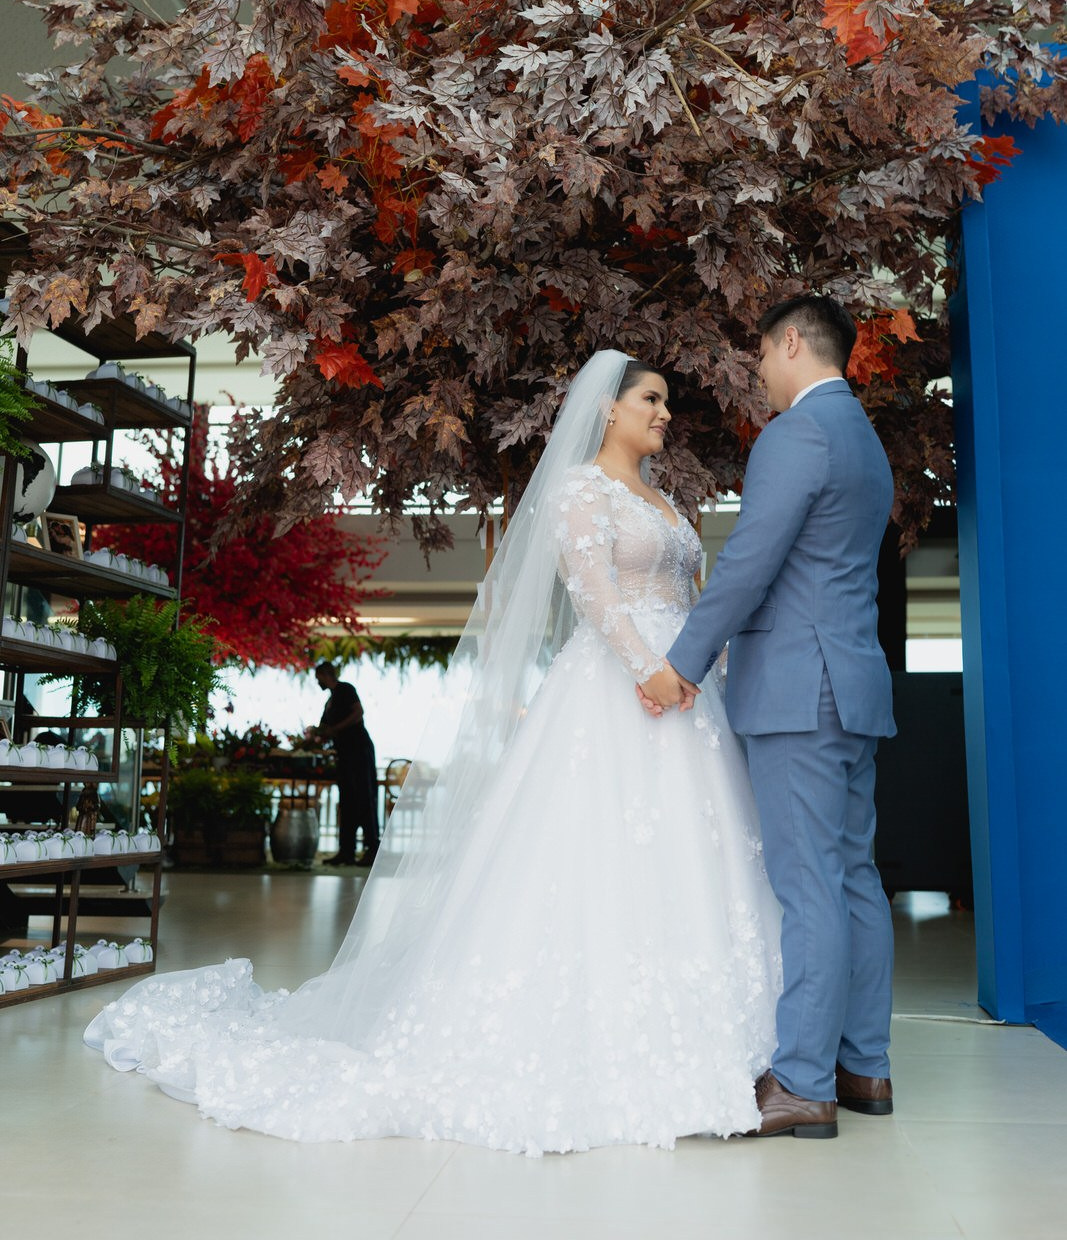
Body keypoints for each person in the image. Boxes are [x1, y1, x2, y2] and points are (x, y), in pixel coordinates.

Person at [83, 350, 781, 1152]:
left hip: (687, 696)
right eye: (650, 398)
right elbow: (593, 593)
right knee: (593, 848)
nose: (664, 412)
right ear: (607, 409)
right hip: (620, 688)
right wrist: (648, 669)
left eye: (664, 401)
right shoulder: (580, 490)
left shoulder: (663, 501)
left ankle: (733, 1042)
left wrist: (698, 668)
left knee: (694, 852)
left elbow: (695, 594)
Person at [639, 296, 896, 1140]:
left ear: (790, 342)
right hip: (850, 685)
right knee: (853, 877)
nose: (757, 373)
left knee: (809, 882)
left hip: (797, 691)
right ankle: (863, 1067)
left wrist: (681, 661)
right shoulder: (862, 439)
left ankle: (800, 1083)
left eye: (759, 356)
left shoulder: (797, 433)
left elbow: (750, 561)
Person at [312, 660, 379, 867]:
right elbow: (323, 728)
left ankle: (372, 848)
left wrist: (336, 729)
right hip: (344, 754)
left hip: (359, 750)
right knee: (347, 800)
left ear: (326, 675)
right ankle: (346, 850)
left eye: (318, 678)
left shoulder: (346, 689)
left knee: (364, 797)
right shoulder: (330, 701)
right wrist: (313, 737)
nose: (317, 682)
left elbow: (358, 713)